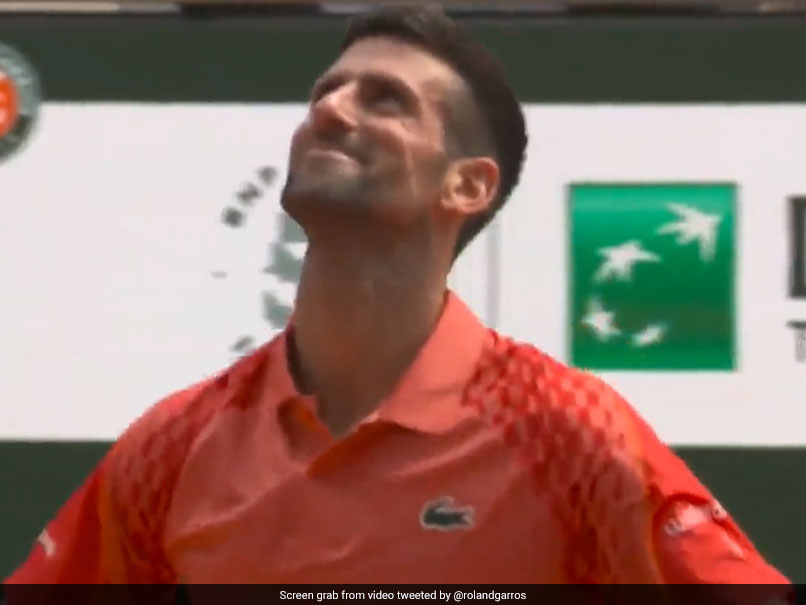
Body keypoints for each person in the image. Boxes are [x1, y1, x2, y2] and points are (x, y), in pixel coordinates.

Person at [5, 6, 791, 586]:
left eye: (384, 101)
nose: (330, 108)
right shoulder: (173, 446)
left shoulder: (572, 434)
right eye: (327, 91)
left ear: (468, 185)